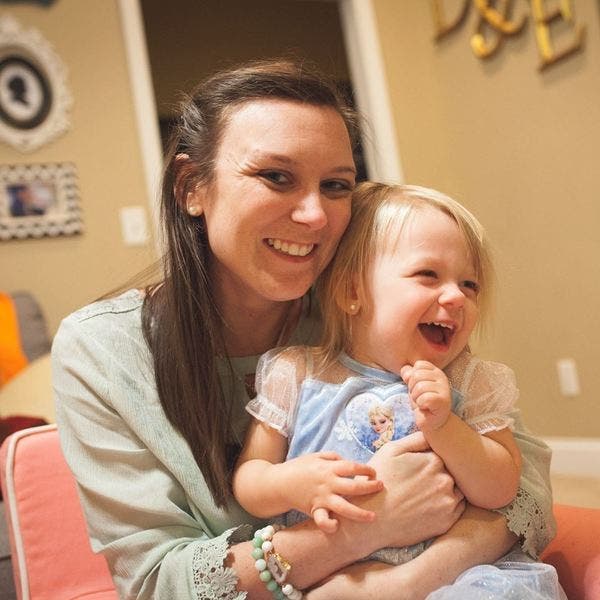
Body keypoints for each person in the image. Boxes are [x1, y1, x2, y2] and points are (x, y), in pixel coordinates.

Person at [52, 60, 557, 600]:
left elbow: (522, 491)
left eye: (337, 185)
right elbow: (160, 584)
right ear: (190, 186)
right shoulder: (101, 351)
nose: (316, 215)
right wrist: (363, 530)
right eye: (276, 176)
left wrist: (409, 582)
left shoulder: (372, 313)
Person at [233, 183, 525, 565]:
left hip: (452, 577)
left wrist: (445, 427)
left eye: (469, 284)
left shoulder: (467, 380)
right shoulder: (298, 374)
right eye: (428, 274)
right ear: (353, 292)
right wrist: (290, 484)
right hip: (337, 573)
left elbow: (501, 489)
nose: (456, 297)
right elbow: (249, 478)